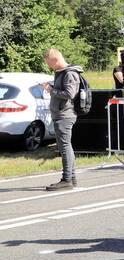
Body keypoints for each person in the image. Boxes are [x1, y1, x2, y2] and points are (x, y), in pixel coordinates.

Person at [39, 49, 84, 191]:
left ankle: (67, 179)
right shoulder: (62, 72)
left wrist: (50, 89)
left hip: (65, 115)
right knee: (66, 147)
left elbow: (70, 94)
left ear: (55, 60)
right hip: (61, 114)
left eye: (49, 63)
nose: (49, 66)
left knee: (64, 147)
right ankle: (72, 177)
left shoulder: (70, 73)